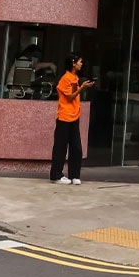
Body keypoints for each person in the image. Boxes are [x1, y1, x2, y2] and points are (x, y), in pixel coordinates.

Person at [50, 54, 94, 185]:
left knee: (76, 148)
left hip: (74, 117)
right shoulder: (65, 79)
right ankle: (56, 175)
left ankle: (74, 175)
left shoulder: (75, 78)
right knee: (60, 148)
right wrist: (82, 88)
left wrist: (83, 86)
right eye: (80, 61)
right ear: (73, 63)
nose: (81, 64)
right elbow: (69, 97)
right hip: (64, 117)